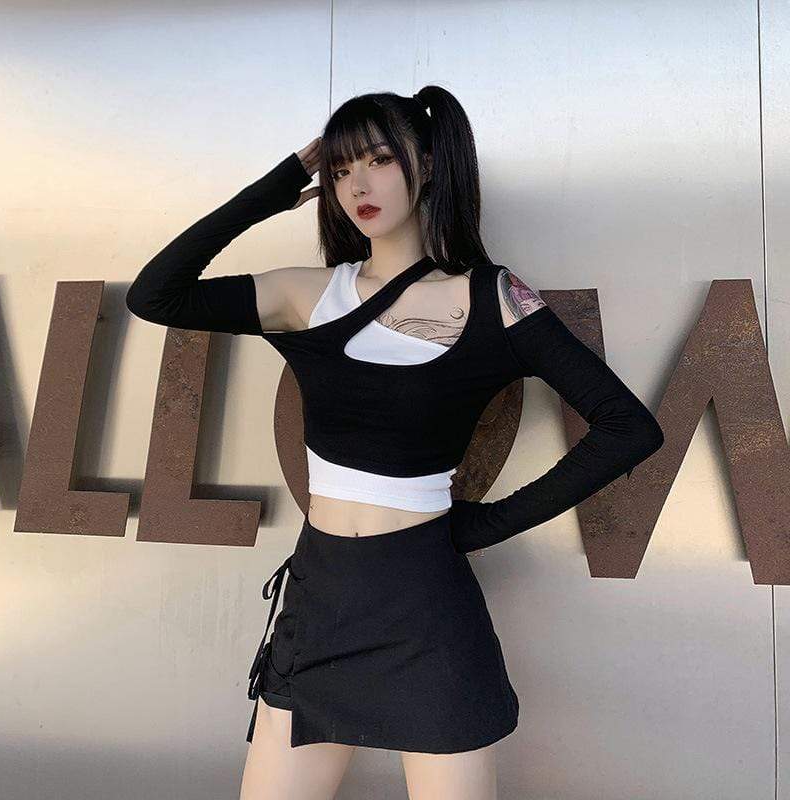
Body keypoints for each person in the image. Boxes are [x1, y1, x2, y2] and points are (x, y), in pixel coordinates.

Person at [126, 86, 664, 800]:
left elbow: (629, 427)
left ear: (429, 164)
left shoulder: (492, 298)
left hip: (423, 609)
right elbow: (154, 295)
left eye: (380, 160)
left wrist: (486, 524)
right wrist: (280, 184)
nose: (358, 185)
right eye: (341, 168)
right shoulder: (306, 296)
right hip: (320, 599)